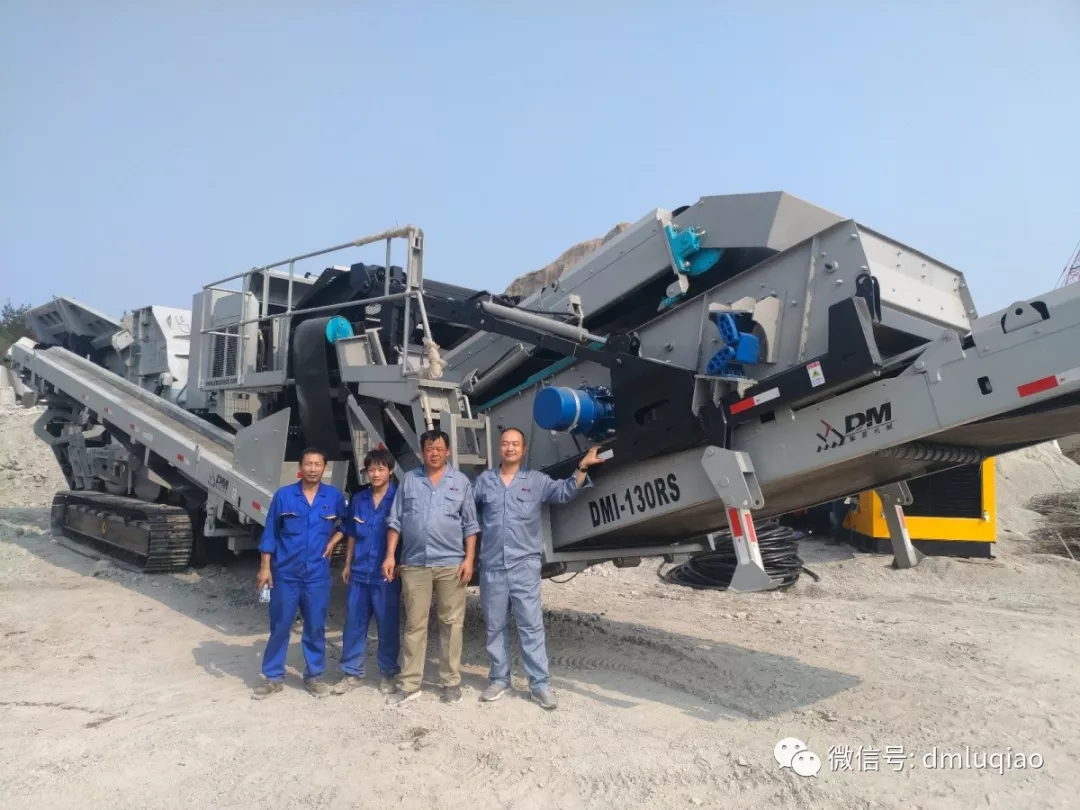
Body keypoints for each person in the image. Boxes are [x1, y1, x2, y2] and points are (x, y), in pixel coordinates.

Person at [473, 428, 604, 710]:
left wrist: (582, 466)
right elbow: (469, 516)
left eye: (515, 444)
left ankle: (539, 685)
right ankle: (499, 679)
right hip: (492, 567)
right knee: (495, 626)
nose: (509, 448)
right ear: (499, 448)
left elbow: (565, 492)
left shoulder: (536, 481)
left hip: (524, 567)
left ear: (523, 450)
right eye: (505, 444)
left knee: (531, 626)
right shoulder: (484, 482)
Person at [382, 429, 479, 705]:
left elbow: (471, 525)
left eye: (438, 449)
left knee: (452, 624)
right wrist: (390, 556)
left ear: (447, 451)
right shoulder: (410, 481)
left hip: (451, 564)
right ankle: (410, 683)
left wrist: (469, 559)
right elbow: (395, 521)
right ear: (422, 452)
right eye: (428, 448)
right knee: (415, 624)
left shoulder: (460, 482)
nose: (434, 453)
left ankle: (450, 682)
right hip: (415, 564)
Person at [252, 447, 347, 699]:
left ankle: (314, 676)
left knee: (315, 626)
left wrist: (333, 541)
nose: (312, 469)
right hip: (285, 573)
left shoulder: (333, 496)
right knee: (280, 625)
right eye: (308, 464)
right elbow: (270, 534)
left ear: (324, 468)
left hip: (317, 574)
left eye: (317, 464)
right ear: (300, 467)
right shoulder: (284, 496)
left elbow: (347, 523)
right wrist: (265, 567)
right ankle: (273, 677)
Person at [330, 447, 402, 696]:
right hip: (360, 572)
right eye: (372, 469)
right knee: (354, 623)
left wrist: (400, 563)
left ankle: (388, 673)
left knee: (387, 625)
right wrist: (347, 563)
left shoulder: (399, 499)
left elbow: (406, 534)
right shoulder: (359, 499)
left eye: (381, 469)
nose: (376, 474)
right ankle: (352, 672)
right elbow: (352, 533)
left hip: (386, 576)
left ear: (390, 471)